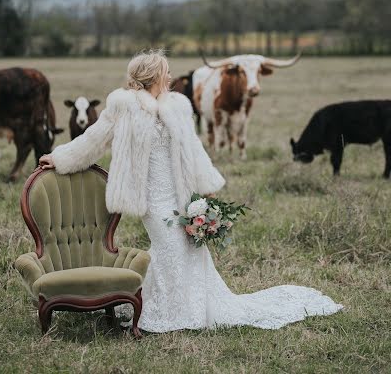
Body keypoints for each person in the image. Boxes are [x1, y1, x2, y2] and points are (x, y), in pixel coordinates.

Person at [39, 49, 342, 332]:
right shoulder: (123, 105)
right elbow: (94, 139)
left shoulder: (178, 106)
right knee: (170, 247)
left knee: (192, 249)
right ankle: (170, 310)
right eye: (166, 72)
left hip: (181, 194)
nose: (170, 78)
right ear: (152, 76)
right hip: (151, 199)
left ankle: (194, 308)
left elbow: (194, 151)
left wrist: (206, 189)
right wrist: (59, 157)